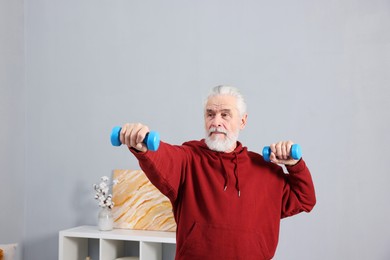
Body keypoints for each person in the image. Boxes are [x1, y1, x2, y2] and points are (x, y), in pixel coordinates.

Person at [119, 85, 316, 260]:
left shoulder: (265, 170)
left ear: (243, 121)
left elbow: (305, 198)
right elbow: (163, 156)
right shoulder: (189, 158)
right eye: (210, 114)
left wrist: (294, 164)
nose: (216, 122)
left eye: (225, 114)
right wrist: (142, 145)